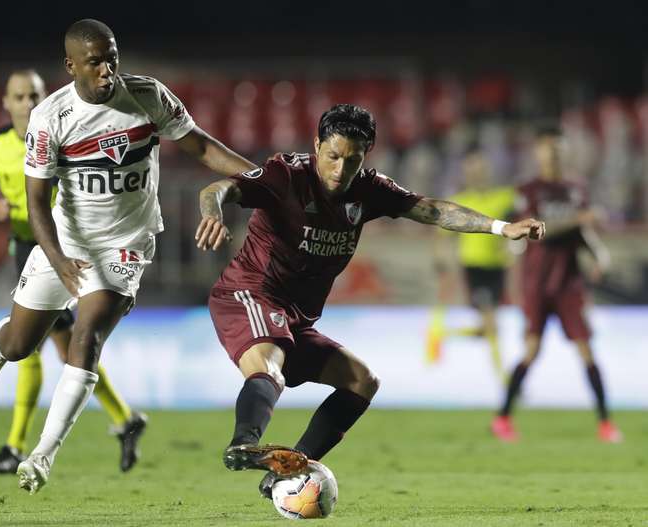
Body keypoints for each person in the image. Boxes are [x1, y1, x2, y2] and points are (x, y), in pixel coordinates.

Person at [194, 104, 545, 498]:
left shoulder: (370, 189)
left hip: (295, 318)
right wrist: (213, 214)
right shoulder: (286, 174)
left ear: (366, 154)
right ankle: (244, 444)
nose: (340, 170)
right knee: (270, 363)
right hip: (250, 293)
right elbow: (219, 188)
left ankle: (286, 470)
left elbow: (431, 209)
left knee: (362, 382)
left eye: (352, 160)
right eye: (332, 157)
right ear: (316, 145)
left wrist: (500, 228)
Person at [0, 19, 255, 494]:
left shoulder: (148, 96)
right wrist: (58, 258)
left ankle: (41, 455)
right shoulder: (51, 117)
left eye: (112, 58)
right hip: (67, 242)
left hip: (127, 242)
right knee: (22, 346)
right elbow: (36, 201)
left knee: (87, 336)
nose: (107, 70)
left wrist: (264, 177)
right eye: (96, 62)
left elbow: (201, 145)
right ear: (71, 66)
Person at [0, 69, 147, 475]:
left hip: (67, 244)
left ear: (43, 95)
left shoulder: (60, 127)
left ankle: (17, 445)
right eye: (18, 97)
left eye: (33, 95)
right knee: (59, 346)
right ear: (6, 102)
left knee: (53, 345)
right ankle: (123, 419)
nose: (27, 103)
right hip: (27, 248)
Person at [491, 125, 622, 443]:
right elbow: (537, 229)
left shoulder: (576, 187)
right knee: (532, 350)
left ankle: (605, 423)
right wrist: (580, 220)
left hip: (569, 282)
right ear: (538, 152)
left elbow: (582, 232)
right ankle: (503, 418)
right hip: (536, 281)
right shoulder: (528, 189)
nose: (553, 154)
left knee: (587, 351)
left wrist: (598, 254)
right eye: (548, 149)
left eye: (558, 149)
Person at [426, 145, 516, 383]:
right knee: (491, 325)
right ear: (465, 172)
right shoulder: (460, 202)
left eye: (480, 167)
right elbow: (442, 236)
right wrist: (441, 261)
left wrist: (514, 247)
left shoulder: (504, 197)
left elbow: (518, 226)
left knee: (488, 328)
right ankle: (505, 381)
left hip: (498, 269)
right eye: (471, 168)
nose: (476, 172)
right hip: (474, 269)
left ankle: (441, 334)